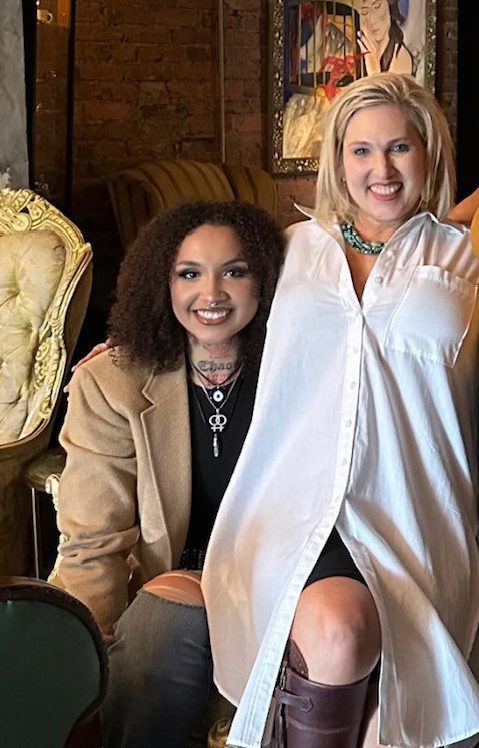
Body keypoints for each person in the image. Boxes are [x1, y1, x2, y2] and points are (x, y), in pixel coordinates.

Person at [202, 72, 479, 748]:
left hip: (413, 512)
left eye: (398, 148)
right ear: (335, 161)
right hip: (292, 508)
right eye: (359, 151)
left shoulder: (463, 256)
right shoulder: (288, 252)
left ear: (428, 154)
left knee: (385, 697)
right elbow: (199, 308)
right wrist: (127, 349)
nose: (379, 170)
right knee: (336, 630)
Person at [49, 200, 286, 748]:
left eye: (235, 270)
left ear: (266, 278)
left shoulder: (301, 367)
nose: (212, 294)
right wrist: (83, 667)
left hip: (277, 589)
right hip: (172, 592)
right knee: (171, 620)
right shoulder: (112, 383)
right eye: (189, 273)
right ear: (163, 283)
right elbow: (93, 543)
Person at [358, 0, 413, 76]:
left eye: (377, 7)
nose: (372, 20)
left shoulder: (400, 57)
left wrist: (373, 71)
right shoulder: (354, 51)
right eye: (364, 12)